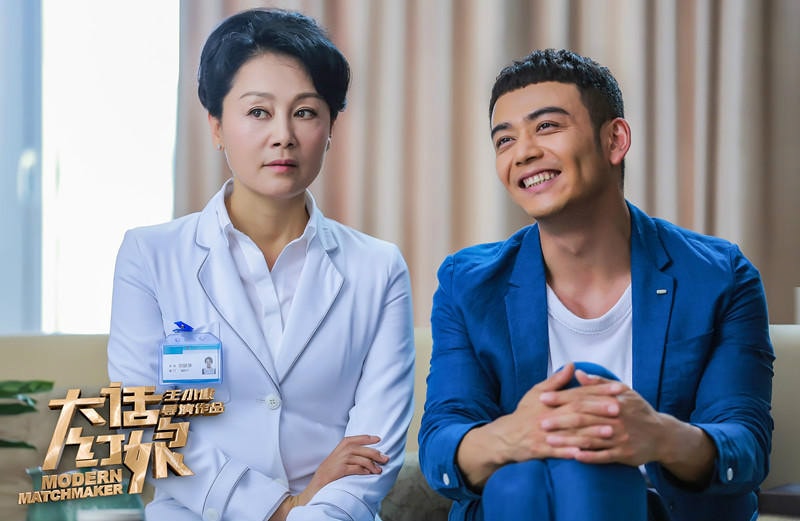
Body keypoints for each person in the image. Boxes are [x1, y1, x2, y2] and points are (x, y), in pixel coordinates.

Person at [418, 48, 773, 521]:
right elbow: (441, 442)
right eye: (504, 140)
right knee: (520, 478)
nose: (523, 152)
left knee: (570, 466)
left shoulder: (719, 276)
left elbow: (745, 445)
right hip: (520, 504)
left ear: (615, 140)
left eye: (547, 126)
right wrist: (517, 434)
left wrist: (657, 435)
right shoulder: (468, 284)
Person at [107, 8, 414, 521]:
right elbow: (143, 427)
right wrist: (278, 509)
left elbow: (373, 446)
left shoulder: (378, 269)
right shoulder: (150, 256)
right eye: (257, 112)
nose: (283, 135)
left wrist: (309, 514)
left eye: (306, 112)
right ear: (216, 126)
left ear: (330, 128)